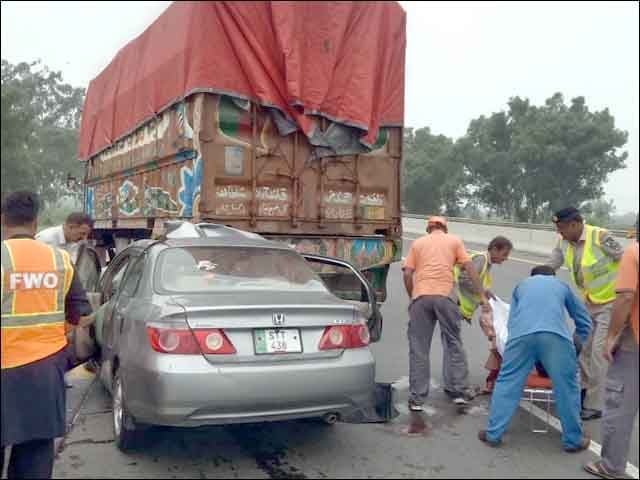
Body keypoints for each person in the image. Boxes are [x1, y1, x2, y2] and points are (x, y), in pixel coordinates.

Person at [1, 192, 92, 479]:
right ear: (35, 221)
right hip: (44, 371)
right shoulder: (59, 259)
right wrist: (54, 335)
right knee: (36, 454)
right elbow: (81, 313)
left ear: (3, 220)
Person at [478, 265, 592, 452]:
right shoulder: (561, 285)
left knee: (507, 382)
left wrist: (517, 348)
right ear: (552, 276)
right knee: (567, 386)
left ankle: (493, 434)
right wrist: (578, 344)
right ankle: (573, 440)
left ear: (532, 276)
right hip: (555, 337)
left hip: (521, 337)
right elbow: (583, 320)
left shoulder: (521, 286)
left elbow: (512, 321)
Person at [402, 216, 490, 411]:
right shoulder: (454, 241)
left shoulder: (418, 243)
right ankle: (458, 392)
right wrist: (482, 296)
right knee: (453, 343)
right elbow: (470, 270)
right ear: (445, 228)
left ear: (429, 228)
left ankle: (417, 399)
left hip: (421, 298)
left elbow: (407, 274)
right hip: (445, 297)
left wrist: (413, 297)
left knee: (419, 348)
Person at [547, 207, 623, 421]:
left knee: (598, 353)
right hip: (588, 303)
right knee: (581, 348)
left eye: (561, 228)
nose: (559, 232)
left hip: (611, 302)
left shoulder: (600, 236)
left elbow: (626, 260)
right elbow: (551, 264)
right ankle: (581, 392)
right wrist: (536, 280)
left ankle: (595, 404)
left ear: (574, 224)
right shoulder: (562, 241)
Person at [584, 216, 639, 479]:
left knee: (619, 405)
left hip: (634, 342)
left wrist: (612, 336)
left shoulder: (633, 253)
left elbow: (627, 296)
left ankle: (610, 465)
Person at [452, 236, 513, 394]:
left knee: (453, 344)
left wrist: (485, 292)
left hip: (457, 305)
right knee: (454, 346)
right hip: (454, 303)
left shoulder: (485, 263)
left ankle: (456, 382)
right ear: (494, 249)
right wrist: (481, 298)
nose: (505, 259)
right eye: (504, 254)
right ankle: (458, 385)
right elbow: (465, 279)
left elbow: (476, 282)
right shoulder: (481, 259)